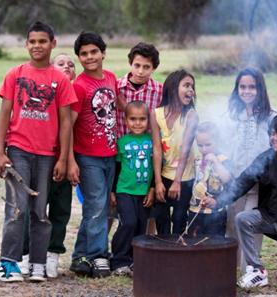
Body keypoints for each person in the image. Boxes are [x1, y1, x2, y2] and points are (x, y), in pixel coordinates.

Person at [0, 21, 76, 282]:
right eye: (32, 41)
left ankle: (38, 263)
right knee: (17, 209)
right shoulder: (15, 74)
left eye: (43, 41)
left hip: (47, 155)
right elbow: (4, 113)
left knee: (41, 212)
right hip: (18, 151)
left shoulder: (60, 80)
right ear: (26, 44)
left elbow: (65, 123)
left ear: (53, 43)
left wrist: (62, 158)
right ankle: (8, 264)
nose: (37, 46)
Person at [203, 112, 277, 288]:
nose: (274, 138)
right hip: (271, 219)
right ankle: (256, 270)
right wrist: (218, 201)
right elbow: (243, 181)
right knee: (243, 219)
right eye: (272, 133)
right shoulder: (267, 159)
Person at [19, 53, 77, 278]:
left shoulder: (76, 94)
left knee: (61, 209)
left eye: (71, 65)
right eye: (61, 63)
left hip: (67, 161)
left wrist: (69, 160)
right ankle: (26, 254)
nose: (66, 67)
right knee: (33, 209)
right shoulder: (43, 93)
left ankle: (52, 253)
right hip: (39, 158)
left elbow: (71, 131)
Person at [67, 32, 118, 278]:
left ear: (103, 53)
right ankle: (99, 256)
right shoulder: (79, 85)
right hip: (87, 156)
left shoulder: (110, 77)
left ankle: (79, 257)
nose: (89, 57)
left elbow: (118, 106)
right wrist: (70, 160)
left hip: (110, 153)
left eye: (93, 52)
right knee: (96, 206)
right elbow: (70, 125)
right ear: (79, 57)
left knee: (100, 207)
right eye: (84, 54)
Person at [224, 67, 277, 271]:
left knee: (251, 225)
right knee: (231, 225)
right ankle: (231, 269)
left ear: (260, 89)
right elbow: (222, 145)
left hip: (258, 185)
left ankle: (252, 270)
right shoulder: (230, 116)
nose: (247, 91)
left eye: (252, 87)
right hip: (235, 183)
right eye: (242, 87)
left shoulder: (271, 117)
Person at [112, 42, 162, 234]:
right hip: (119, 154)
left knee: (145, 212)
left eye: (146, 67)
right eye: (137, 65)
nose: (140, 71)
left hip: (145, 153)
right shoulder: (116, 87)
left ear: (154, 68)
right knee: (113, 208)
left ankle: (145, 248)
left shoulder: (159, 90)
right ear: (130, 64)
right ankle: (104, 250)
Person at [150, 69, 199, 235]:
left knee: (179, 218)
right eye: (186, 85)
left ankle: (178, 255)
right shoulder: (156, 114)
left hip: (184, 177)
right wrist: (158, 182)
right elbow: (157, 149)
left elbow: (185, 149)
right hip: (163, 174)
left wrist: (177, 181)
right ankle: (164, 254)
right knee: (161, 217)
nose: (191, 90)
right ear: (172, 88)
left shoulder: (191, 116)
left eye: (192, 86)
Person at [109, 101, 155, 275]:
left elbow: (155, 166)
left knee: (141, 226)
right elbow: (118, 167)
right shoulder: (122, 142)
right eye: (133, 119)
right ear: (126, 120)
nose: (137, 123)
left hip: (144, 192)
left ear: (148, 121)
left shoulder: (152, 141)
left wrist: (151, 188)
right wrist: (113, 190)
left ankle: (134, 260)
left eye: (142, 119)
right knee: (128, 222)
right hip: (124, 190)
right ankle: (118, 259)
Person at [187, 122, 232, 237]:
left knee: (214, 244)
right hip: (195, 210)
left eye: (208, 145)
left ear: (217, 142)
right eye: (200, 145)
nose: (204, 149)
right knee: (194, 242)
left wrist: (216, 162)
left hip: (215, 212)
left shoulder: (222, 159)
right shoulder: (197, 159)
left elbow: (227, 179)